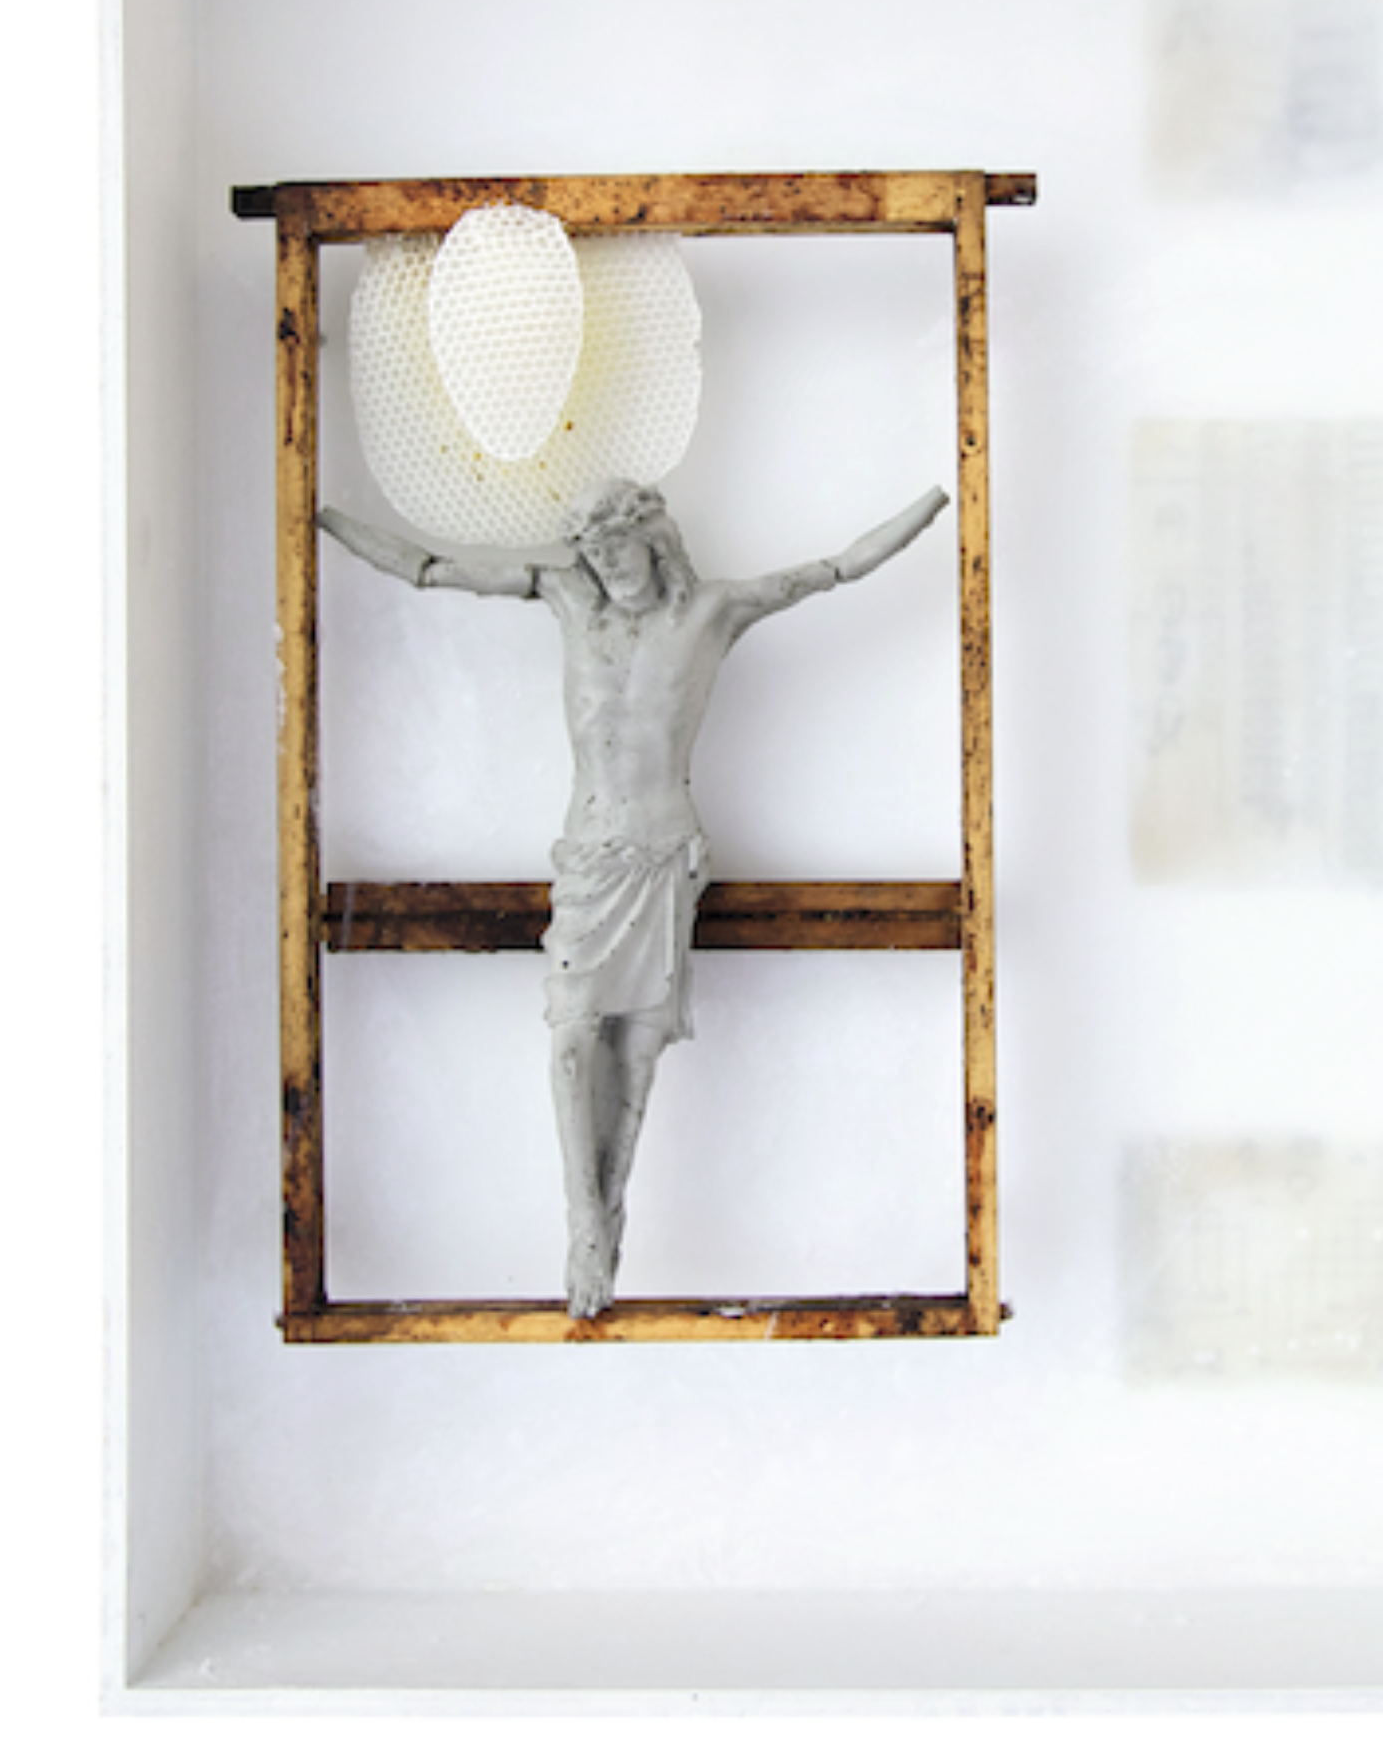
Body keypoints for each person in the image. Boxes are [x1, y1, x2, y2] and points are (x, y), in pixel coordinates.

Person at [318, 478, 949, 1315]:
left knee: (637, 1055)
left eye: (615, 543)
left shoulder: (713, 611)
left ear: (654, 537)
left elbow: (837, 568)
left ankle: (609, 1215)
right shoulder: (568, 598)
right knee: (572, 1037)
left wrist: (937, 497)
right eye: (590, 549)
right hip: (590, 854)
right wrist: (326, 517)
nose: (604, 561)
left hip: (662, 855)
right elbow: (431, 570)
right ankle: (583, 1216)